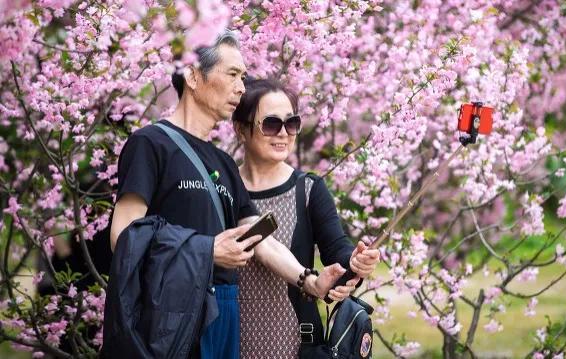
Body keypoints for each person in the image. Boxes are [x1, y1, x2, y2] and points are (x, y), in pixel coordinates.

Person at [109, 30, 348, 359]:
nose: (241, 87)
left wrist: (309, 281)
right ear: (193, 76)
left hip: (224, 310)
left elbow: (259, 238)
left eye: (244, 77)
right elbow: (123, 235)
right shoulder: (150, 144)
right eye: (232, 74)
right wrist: (205, 250)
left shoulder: (222, 162)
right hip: (172, 313)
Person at [232, 78, 381, 358]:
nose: (283, 134)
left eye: (291, 124)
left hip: (295, 344)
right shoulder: (223, 187)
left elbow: (336, 249)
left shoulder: (308, 189)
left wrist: (355, 262)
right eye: (271, 124)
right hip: (227, 340)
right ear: (241, 129)